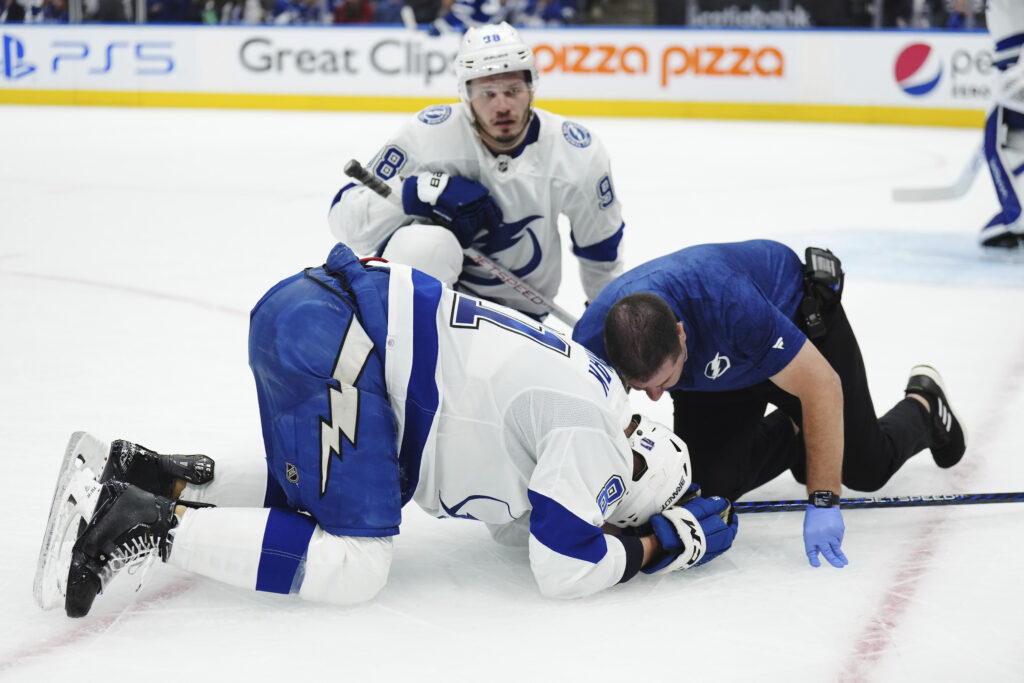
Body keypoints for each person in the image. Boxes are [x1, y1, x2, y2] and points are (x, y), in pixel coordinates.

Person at [36, 242, 737, 619]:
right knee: (355, 565)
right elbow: (562, 569)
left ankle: (156, 472)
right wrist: (659, 542)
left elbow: (517, 529)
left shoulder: (595, 392)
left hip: (322, 311)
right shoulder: (600, 440)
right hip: (345, 338)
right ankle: (145, 520)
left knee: (323, 499)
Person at [571, 240, 966, 569]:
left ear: (681, 334)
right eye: (642, 388)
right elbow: (585, 424)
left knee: (865, 468)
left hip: (792, 328)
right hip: (716, 377)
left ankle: (924, 406)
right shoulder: (593, 339)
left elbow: (822, 386)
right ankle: (798, 434)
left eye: (663, 384)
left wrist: (823, 500)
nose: (655, 398)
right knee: (703, 494)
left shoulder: (728, 303)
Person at [328, 22, 625, 320]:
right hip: (440, 307)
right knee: (422, 246)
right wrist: (414, 192)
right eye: (487, 93)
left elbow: (601, 255)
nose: (502, 106)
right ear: (466, 95)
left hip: (525, 316)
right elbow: (346, 222)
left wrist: (606, 325)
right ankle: (407, 345)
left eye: (513, 90)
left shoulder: (576, 152)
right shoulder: (428, 134)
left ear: (531, 87)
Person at [979, 0, 1024, 249]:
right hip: (1011, 69)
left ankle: (1015, 216)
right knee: (1014, 146)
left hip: (1016, 72)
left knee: (994, 143)